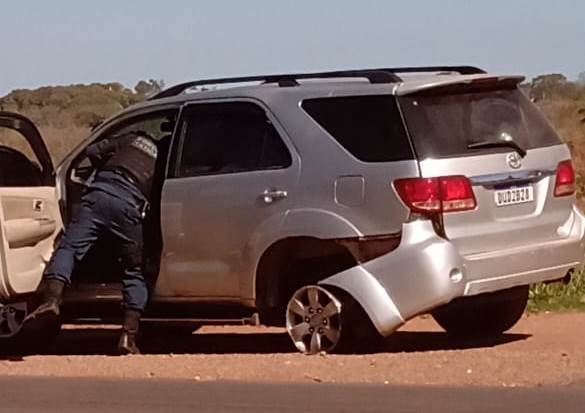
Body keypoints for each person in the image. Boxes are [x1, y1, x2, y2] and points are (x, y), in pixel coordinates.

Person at [24, 130, 160, 354]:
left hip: (98, 195)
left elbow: (92, 150)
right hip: (129, 205)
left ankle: (51, 300)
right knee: (133, 269)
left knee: (69, 247)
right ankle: (128, 335)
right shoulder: (162, 157)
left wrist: (101, 166)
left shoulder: (129, 139)